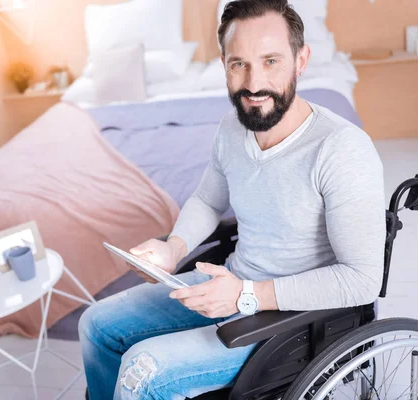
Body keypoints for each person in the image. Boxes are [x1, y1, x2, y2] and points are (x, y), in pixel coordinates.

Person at [78, 0, 386, 398]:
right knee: (96, 325)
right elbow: (208, 200)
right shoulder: (230, 130)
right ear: (224, 64)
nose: (253, 83)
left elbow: (361, 281)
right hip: (231, 285)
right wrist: (173, 248)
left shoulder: (341, 149)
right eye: (239, 63)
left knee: (143, 370)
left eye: (271, 61)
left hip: (293, 319)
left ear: (301, 59)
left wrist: (247, 295)